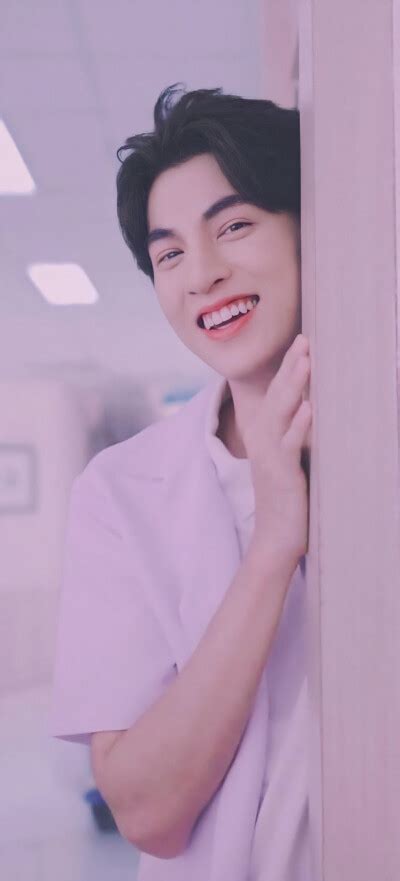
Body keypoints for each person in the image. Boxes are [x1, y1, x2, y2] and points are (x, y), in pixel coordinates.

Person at [50, 83, 313, 881]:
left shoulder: (377, 449)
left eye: (234, 226)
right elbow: (146, 813)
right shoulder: (122, 492)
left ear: (310, 229)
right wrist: (273, 544)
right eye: (169, 255)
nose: (202, 275)